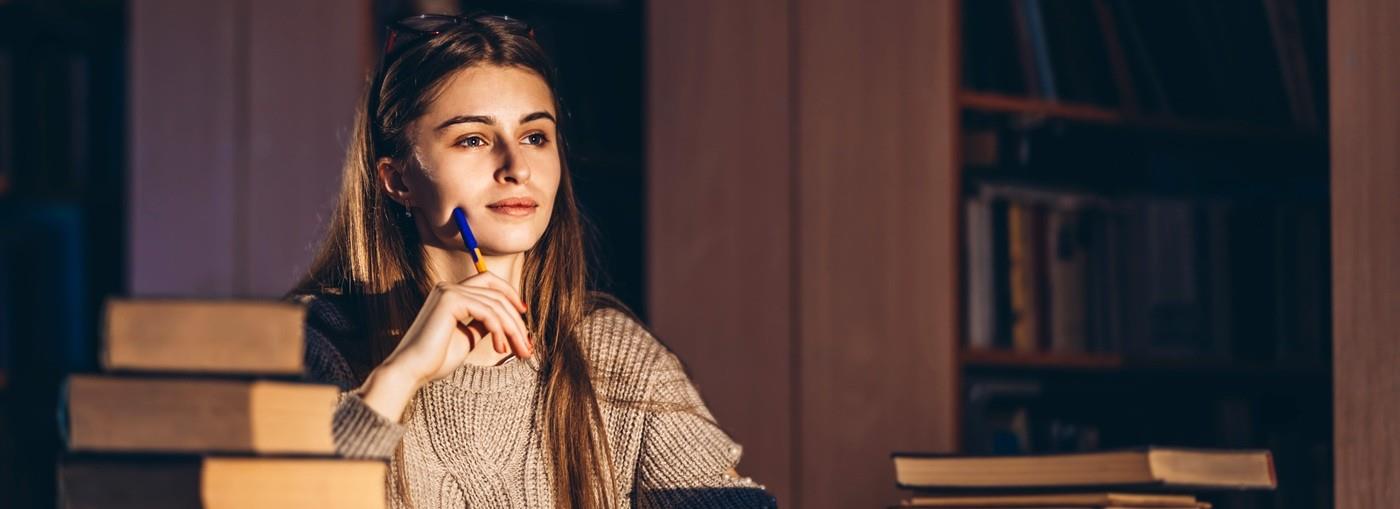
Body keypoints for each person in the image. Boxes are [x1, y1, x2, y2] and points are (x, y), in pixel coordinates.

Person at [284, 12, 775, 509]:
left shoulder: (611, 356)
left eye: (535, 136)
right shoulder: (315, 342)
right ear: (398, 180)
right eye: (473, 139)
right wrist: (398, 377)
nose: (516, 167)